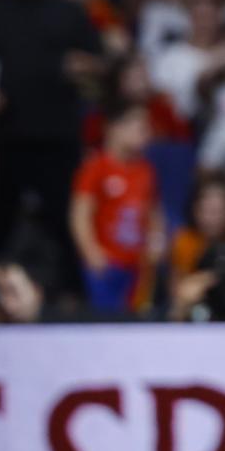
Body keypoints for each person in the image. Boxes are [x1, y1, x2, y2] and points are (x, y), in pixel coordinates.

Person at [0, 0, 103, 294]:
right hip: (7, 134)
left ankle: (75, 301)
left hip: (58, 135)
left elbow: (101, 63)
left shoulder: (70, 11)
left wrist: (85, 67)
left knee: (64, 221)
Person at [70, 100, 163, 313]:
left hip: (137, 265)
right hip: (106, 263)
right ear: (114, 128)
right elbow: (80, 214)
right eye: (140, 127)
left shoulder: (145, 170)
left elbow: (153, 211)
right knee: (107, 321)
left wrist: (157, 239)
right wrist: (90, 252)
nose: (146, 134)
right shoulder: (96, 167)